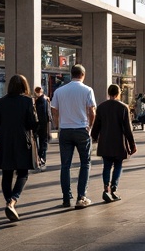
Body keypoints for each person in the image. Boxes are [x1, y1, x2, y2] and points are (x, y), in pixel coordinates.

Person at [0, 74, 38, 222]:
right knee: (23, 173)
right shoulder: (28, 101)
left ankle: (9, 202)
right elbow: (32, 123)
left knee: (7, 174)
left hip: (4, 141)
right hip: (22, 140)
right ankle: (13, 201)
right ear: (25, 87)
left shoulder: (1, 102)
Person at [50, 63, 97, 209]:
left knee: (65, 165)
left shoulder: (60, 90)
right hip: (81, 129)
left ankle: (66, 198)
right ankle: (81, 197)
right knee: (85, 163)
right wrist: (90, 127)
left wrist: (58, 125)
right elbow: (92, 111)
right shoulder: (87, 90)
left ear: (71, 74)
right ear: (83, 75)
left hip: (65, 130)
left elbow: (54, 110)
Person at [91, 84, 136, 203]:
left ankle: (106, 188)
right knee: (118, 165)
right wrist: (132, 144)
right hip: (119, 142)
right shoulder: (123, 107)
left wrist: (94, 137)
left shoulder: (101, 107)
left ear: (108, 93)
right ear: (118, 93)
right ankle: (114, 189)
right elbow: (127, 128)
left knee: (106, 166)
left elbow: (96, 125)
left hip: (105, 142)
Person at [33, 86, 52, 168]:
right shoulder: (44, 100)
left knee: (41, 143)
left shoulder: (40, 101)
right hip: (43, 125)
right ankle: (42, 158)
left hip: (40, 125)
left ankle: (40, 158)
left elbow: (44, 114)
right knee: (42, 143)